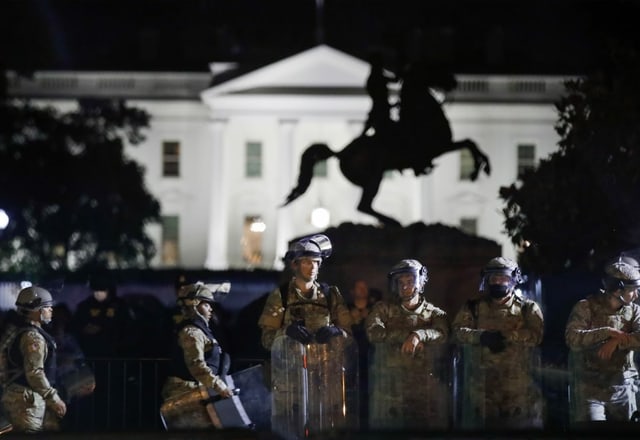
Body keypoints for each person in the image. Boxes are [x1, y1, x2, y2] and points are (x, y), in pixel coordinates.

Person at [258, 234, 355, 439]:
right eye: (307, 262)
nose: (312, 268)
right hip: (290, 384)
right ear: (295, 265)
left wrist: (337, 332)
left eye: (316, 263)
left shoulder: (331, 295)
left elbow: (350, 336)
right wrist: (286, 333)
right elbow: (267, 339)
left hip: (325, 381)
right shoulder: (281, 296)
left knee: (327, 432)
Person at [451, 257, 544, 430]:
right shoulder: (473, 308)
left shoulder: (528, 308)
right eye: (493, 278)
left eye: (503, 278)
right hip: (482, 394)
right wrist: (482, 336)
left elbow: (536, 336)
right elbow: (457, 333)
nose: (498, 282)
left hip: (518, 393)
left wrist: (505, 336)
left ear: (514, 279)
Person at [365, 259, 450, 430]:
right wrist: (408, 336)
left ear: (421, 281)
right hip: (390, 389)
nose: (405, 287)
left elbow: (442, 334)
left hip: (423, 388)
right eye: (400, 283)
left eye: (410, 281)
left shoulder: (434, 313)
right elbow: (373, 332)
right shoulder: (383, 309)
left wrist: (420, 334)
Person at [565, 258, 640, 425]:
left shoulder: (635, 310)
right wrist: (606, 332)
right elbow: (573, 338)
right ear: (616, 290)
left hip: (622, 388)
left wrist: (614, 342)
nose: (636, 295)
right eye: (632, 290)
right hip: (591, 388)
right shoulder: (586, 307)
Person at [161, 282, 234, 429]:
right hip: (184, 392)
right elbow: (196, 365)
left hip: (196, 391)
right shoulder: (192, 332)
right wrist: (220, 387)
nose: (210, 308)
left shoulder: (201, 329)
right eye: (206, 304)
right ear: (195, 305)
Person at [1, 286, 67, 433]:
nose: (51, 310)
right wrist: (54, 399)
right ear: (36, 310)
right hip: (26, 402)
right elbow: (34, 373)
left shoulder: (20, 331)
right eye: (47, 307)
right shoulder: (33, 337)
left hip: (23, 398)